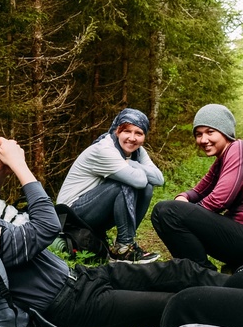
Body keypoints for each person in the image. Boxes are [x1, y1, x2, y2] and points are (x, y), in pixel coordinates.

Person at [0, 136, 227, 327]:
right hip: (70, 306)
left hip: (82, 279)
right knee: (178, 305)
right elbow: (46, 229)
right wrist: (20, 167)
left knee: (181, 272)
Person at [151, 104, 243, 269]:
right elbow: (199, 190)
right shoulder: (221, 160)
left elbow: (221, 199)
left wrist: (184, 215)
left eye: (210, 132)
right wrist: (183, 197)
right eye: (198, 134)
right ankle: (199, 271)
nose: (203, 140)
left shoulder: (240, 148)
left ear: (225, 132)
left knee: (166, 211)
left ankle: (203, 275)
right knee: (162, 213)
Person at [57, 108, 164, 263]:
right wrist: (137, 169)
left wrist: (131, 163)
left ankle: (126, 243)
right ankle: (124, 247)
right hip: (70, 215)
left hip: (93, 209)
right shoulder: (104, 149)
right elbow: (139, 180)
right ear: (117, 131)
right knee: (126, 183)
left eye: (139, 133)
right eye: (127, 131)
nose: (132, 138)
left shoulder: (137, 152)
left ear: (144, 136)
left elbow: (158, 179)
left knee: (147, 188)